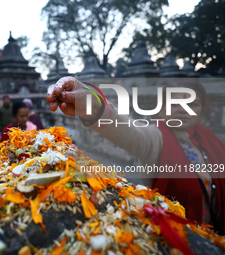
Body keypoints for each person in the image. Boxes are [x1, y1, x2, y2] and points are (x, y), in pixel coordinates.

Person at [46, 76, 225, 234]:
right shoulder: (156, 139)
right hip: (175, 236)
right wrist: (92, 104)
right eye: (174, 103)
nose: (183, 109)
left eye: (192, 103)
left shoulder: (210, 139)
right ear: (161, 108)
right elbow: (127, 129)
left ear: (202, 107)